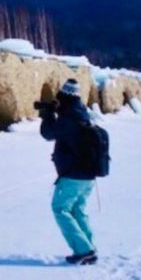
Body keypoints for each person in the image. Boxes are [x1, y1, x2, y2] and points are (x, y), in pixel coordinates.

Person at [39, 77, 100, 264]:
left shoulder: (68, 118)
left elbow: (48, 133)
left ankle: (83, 250)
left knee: (60, 209)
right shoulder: (81, 113)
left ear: (64, 96)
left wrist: (48, 114)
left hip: (73, 175)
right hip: (87, 175)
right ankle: (88, 248)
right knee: (76, 210)